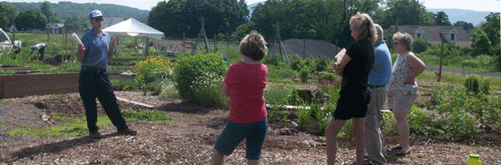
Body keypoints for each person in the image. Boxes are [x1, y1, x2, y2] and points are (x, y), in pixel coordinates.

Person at [325, 12, 376, 165]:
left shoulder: (354, 47)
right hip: (363, 92)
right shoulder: (370, 48)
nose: (351, 31)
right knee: (359, 132)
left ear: (358, 30)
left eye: (352, 28)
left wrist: (336, 68)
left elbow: (339, 69)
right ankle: (360, 162)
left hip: (349, 94)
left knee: (330, 132)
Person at [210, 30, 268, 165]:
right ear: (261, 51)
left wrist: (222, 85)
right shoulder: (264, 69)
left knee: (219, 150)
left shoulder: (234, 69)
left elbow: (225, 92)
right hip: (260, 119)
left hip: (239, 120)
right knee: (253, 157)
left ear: (242, 50)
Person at [76, 9, 136, 138]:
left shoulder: (106, 36)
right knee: (90, 103)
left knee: (110, 101)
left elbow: (108, 57)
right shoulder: (87, 37)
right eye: (96, 19)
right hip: (88, 74)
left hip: (102, 74)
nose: (99, 22)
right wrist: (81, 51)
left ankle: (122, 127)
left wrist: (112, 48)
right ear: (91, 21)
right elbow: (80, 58)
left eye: (100, 19)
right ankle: (93, 130)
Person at [386, 32, 426, 155]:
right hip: (397, 91)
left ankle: (405, 146)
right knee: (399, 117)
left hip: (404, 91)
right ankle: (402, 143)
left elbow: (421, 66)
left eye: (396, 43)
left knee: (401, 117)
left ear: (403, 44)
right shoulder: (401, 56)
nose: (394, 45)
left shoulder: (409, 55)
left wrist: (411, 77)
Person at [365, 24, 392, 165]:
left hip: (374, 90)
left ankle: (376, 159)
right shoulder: (382, 48)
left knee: (370, 124)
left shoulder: (376, 52)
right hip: (379, 89)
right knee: (374, 123)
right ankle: (379, 152)